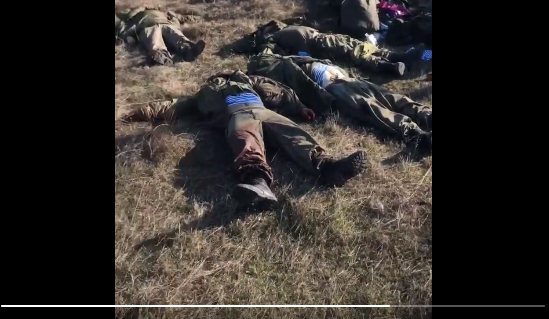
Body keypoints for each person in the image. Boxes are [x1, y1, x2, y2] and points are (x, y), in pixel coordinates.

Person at [123, 70, 368, 208]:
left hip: (262, 110)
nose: (220, 79)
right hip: (236, 115)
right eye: (216, 78)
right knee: (244, 137)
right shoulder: (202, 95)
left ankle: (329, 168)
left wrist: (300, 107)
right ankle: (258, 183)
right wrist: (140, 112)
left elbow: (277, 91)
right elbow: (170, 105)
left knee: (294, 133)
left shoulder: (246, 81)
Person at [248, 51, 432, 150]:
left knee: (392, 97)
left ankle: (427, 115)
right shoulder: (280, 72)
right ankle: (417, 135)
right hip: (333, 88)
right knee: (372, 108)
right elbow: (284, 92)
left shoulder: (295, 58)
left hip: (348, 79)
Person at [244, 20, 424, 77]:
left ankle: (399, 56)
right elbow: (270, 58)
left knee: (360, 45)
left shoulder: (282, 27)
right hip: (319, 44)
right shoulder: (272, 41)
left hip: (325, 37)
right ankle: (388, 67)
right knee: (354, 52)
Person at [115, 7, 206, 66]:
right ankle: (163, 58)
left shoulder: (165, 13)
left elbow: (183, 17)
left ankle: (190, 51)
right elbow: (122, 24)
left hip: (166, 24)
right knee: (155, 43)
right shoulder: (135, 15)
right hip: (148, 26)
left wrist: (200, 18)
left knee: (178, 36)